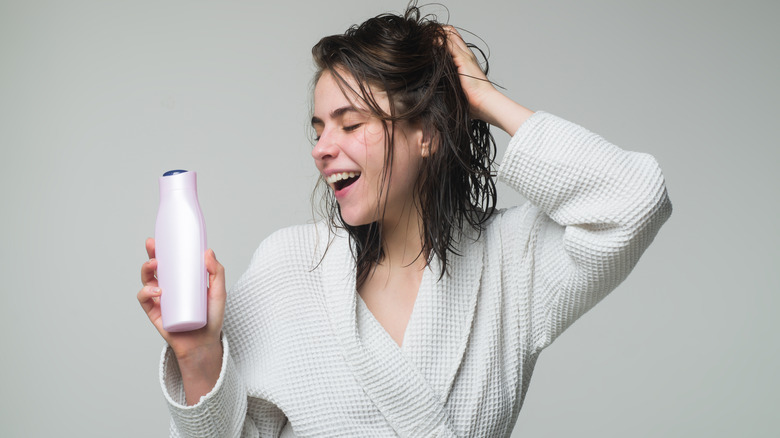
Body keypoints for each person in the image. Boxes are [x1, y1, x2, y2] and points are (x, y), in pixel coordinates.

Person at [138, 3, 672, 437]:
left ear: (427, 134)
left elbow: (633, 199)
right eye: (318, 129)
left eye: (351, 124)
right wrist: (200, 353)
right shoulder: (288, 267)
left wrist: (482, 98)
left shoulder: (512, 261)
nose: (323, 149)